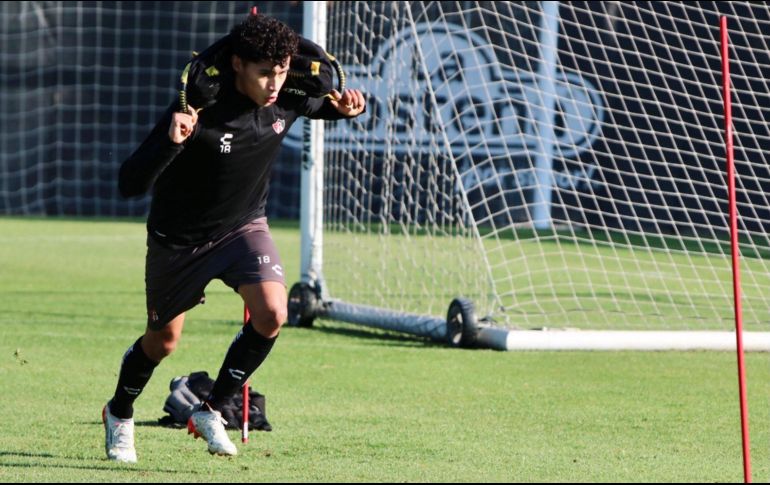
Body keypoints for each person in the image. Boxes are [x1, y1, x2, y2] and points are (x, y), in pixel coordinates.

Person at [103, 12, 365, 463]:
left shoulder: (289, 96)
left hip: (244, 226)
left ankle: (211, 408)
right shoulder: (198, 106)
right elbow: (130, 182)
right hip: (179, 239)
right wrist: (171, 141)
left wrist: (347, 110)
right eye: (264, 72)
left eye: (282, 71)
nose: (274, 83)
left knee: (272, 313)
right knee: (162, 342)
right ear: (238, 64)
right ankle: (119, 413)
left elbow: (322, 106)